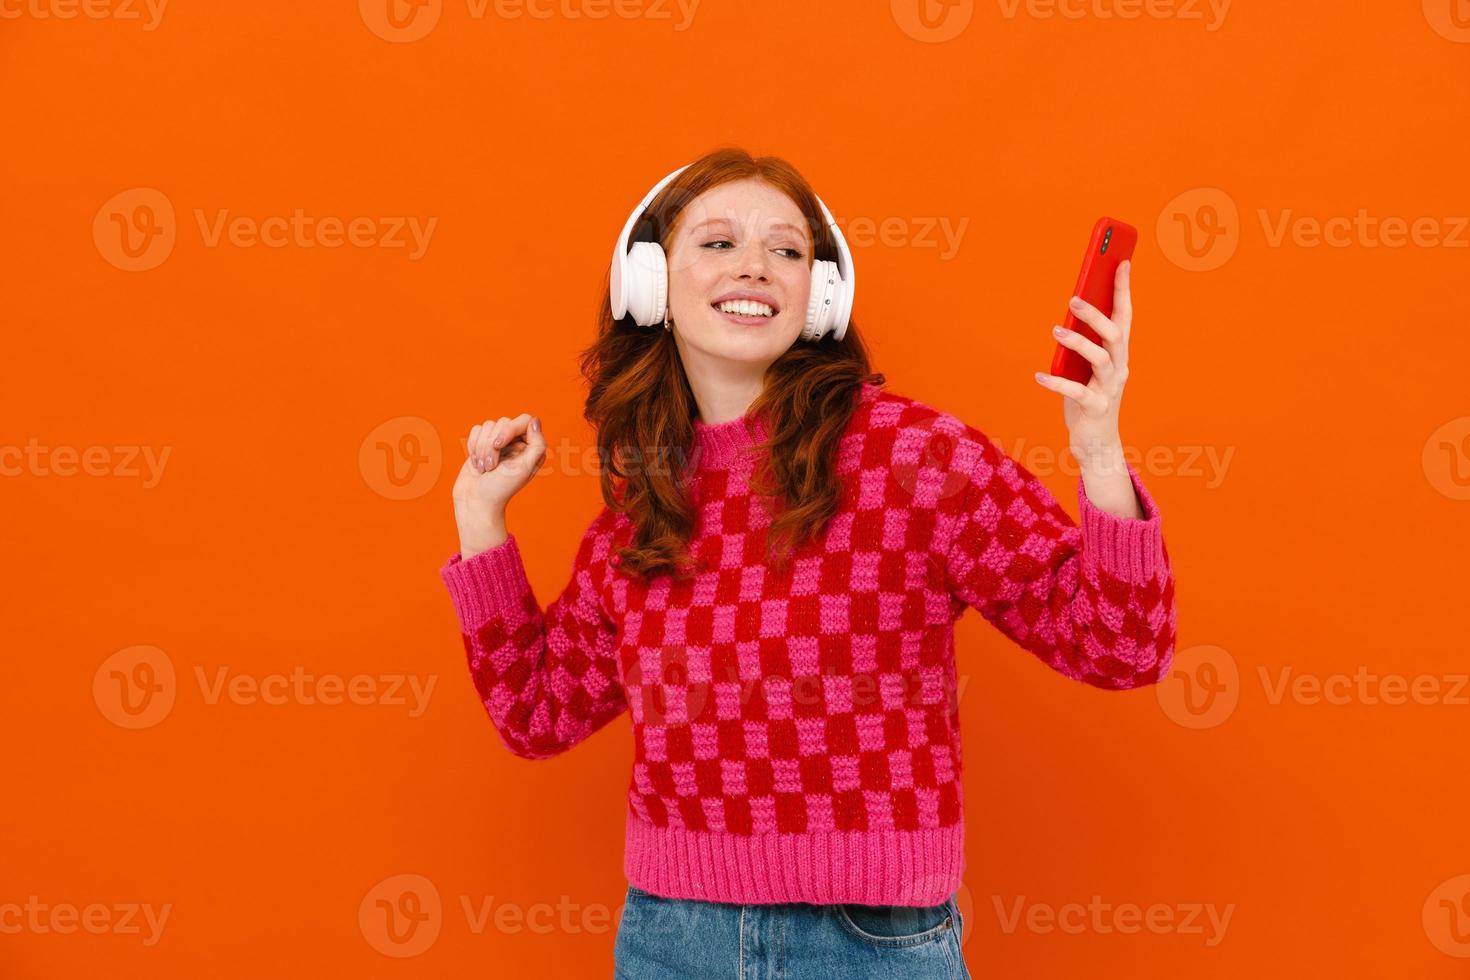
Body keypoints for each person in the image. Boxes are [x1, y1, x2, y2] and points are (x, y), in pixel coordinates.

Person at [440, 147, 1178, 979]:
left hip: (875, 946)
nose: (755, 266)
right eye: (717, 243)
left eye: (788, 250)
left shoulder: (912, 454)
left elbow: (1123, 647)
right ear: (648, 282)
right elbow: (535, 713)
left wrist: (1100, 453)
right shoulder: (643, 506)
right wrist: (481, 519)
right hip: (670, 940)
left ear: (820, 294)